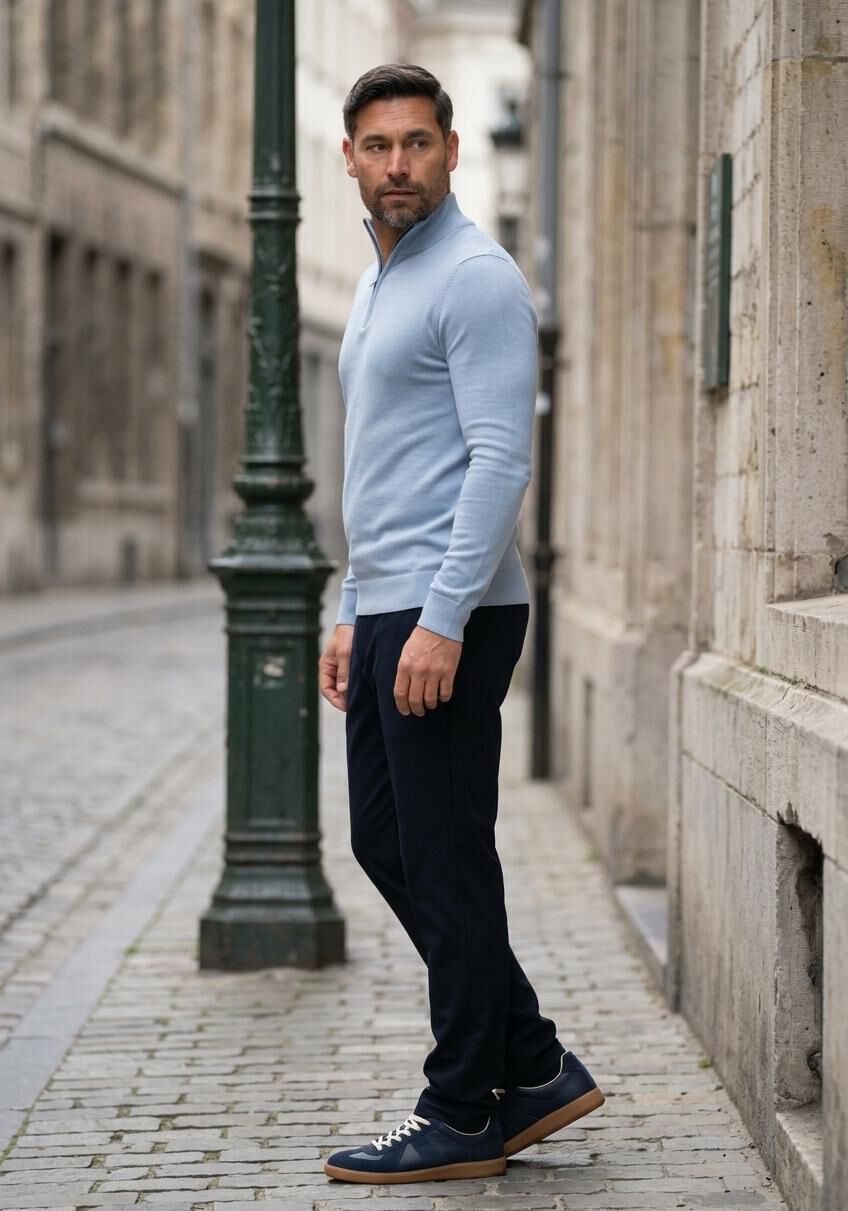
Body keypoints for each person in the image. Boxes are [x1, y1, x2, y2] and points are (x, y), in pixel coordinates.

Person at [318, 64, 604, 1186]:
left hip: (454, 609)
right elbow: (382, 468)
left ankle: (462, 1106)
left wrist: (438, 621)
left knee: (443, 855)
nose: (398, 165)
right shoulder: (381, 281)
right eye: (377, 145)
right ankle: (529, 1063)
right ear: (350, 157)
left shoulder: (476, 279)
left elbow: (499, 462)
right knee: (387, 842)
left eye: (417, 143)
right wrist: (353, 606)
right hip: (389, 605)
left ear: (448, 149)